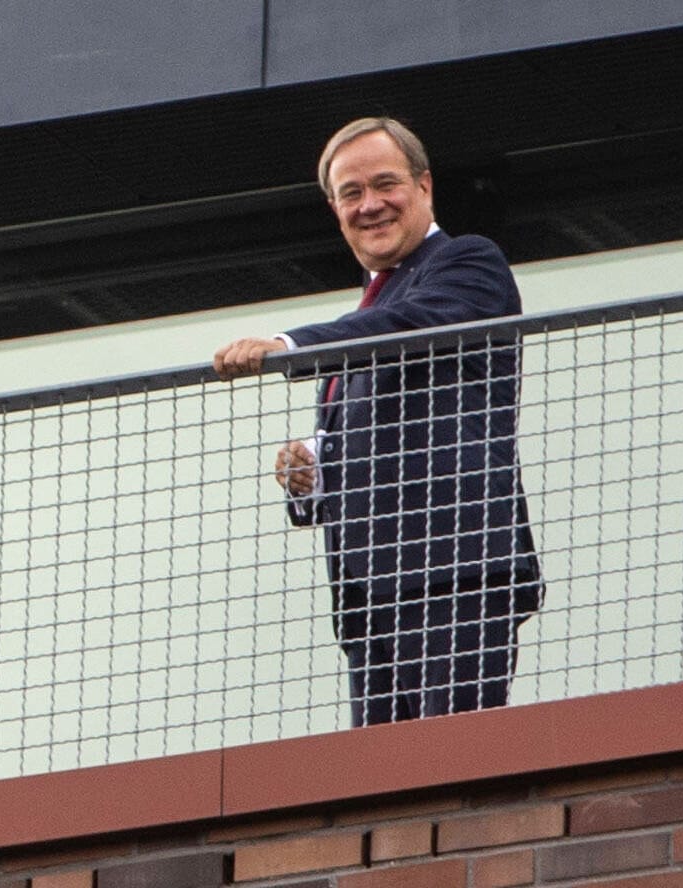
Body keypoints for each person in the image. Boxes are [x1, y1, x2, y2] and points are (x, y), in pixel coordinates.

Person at [214, 117, 542, 726]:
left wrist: (288, 345)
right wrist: (313, 467)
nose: (370, 206)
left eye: (384, 185)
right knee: (384, 788)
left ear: (424, 186)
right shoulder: (363, 316)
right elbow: (389, 402)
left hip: (452, 570)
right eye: (351, 193)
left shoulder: (468, 263)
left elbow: (407, 331)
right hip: (369, 589)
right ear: (334, 209)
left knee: (455, 759)